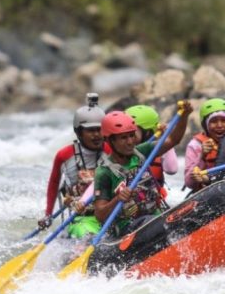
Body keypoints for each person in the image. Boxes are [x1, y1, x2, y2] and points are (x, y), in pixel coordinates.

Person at [94, 101, 193, 237]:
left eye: (131, 135)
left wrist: (184, 116)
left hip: (155, 215)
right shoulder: (104, 172)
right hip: (128, 228)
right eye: (123, 138)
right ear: (110, 141)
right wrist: (117, 199)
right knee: (155, 223)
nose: (130, 142)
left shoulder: (141, 152)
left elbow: (172, 140)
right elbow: (99, 214)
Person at [38, 93, 110, 238]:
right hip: (81, 219)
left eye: (99, 129)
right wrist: (48, 215)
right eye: (90, 130)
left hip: (109, 214)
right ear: (78, 132)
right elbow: (54, 184)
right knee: (86, 235)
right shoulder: (64, 155)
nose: (96, 135)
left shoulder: (111, 151)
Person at [125, 104, 178, 200]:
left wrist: (165, 138)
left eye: (132, 133)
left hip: (152, 204)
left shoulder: (157, 150)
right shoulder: (119, 152)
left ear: (148, 133)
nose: (127, 137)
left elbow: (172, 169)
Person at [184, 98, 225, 192]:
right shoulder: (195, 145)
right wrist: (202, 156)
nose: (219, 125)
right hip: (206, 193)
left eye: (224, 120)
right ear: (205, 125)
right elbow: (189, 183)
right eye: (213, 121)